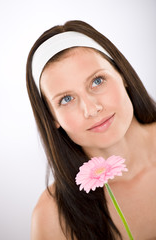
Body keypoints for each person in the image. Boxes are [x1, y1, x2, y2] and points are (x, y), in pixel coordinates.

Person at [26, 20, 156, 240]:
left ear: (121, 74)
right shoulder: (51, 218)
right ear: (51, 117)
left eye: (97, 81)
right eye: (66, 99)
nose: (92, 109)